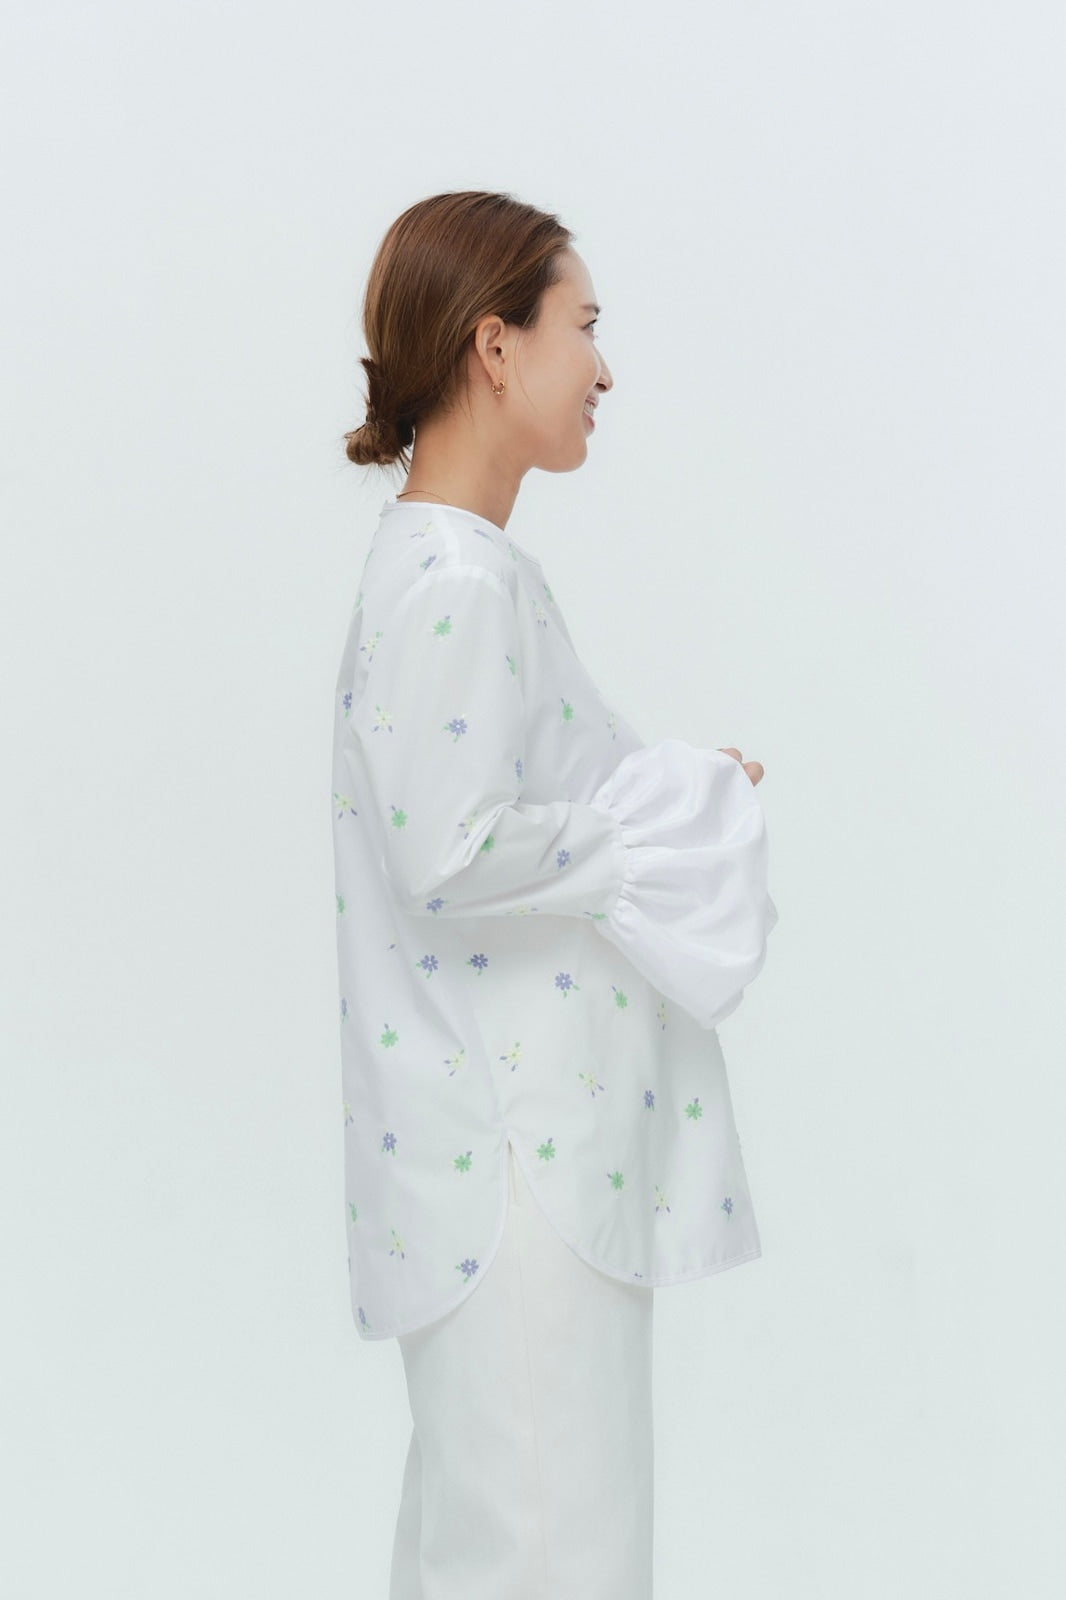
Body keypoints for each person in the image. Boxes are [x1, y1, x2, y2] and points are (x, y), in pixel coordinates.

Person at [332, 189, 780, 1600]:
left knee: (498, 1550)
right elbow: (449, 845)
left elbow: (493, 809)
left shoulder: (462, 569)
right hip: (512, 1171)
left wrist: (667, 792)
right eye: (582, 326)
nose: (603, 367)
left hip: (509, 1167)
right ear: (493, 345)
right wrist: (649, 827)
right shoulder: (455, 581)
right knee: (546, 1556)